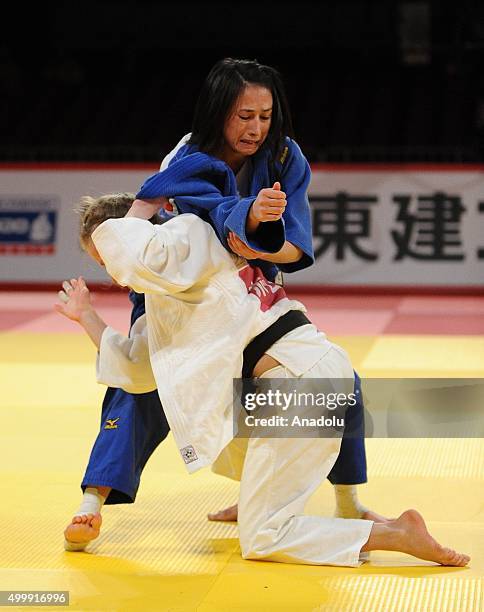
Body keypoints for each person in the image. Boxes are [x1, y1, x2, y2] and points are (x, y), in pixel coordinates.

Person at [59, 191, 469, 567]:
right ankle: (267, 492)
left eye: (108, 258)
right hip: (321, 369)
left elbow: (137, 373)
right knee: (205, 412)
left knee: (263, 539)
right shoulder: (201, 236)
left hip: (298, 389)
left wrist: (87, 317)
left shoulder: (166, 282)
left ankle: (394, 534)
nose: (113, 275)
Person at [136, 57, 373, 523]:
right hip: (197, 301)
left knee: (336, 384)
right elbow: (149, 218)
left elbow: (295, 248)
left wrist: (257, 239)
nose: (257, 128)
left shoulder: (284, 157)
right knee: (144, 383)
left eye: (265, 116)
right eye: (245, 116)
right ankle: (98, 496)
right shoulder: (186, 159)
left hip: (257, 293)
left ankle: (346, 505)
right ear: (217, 110)